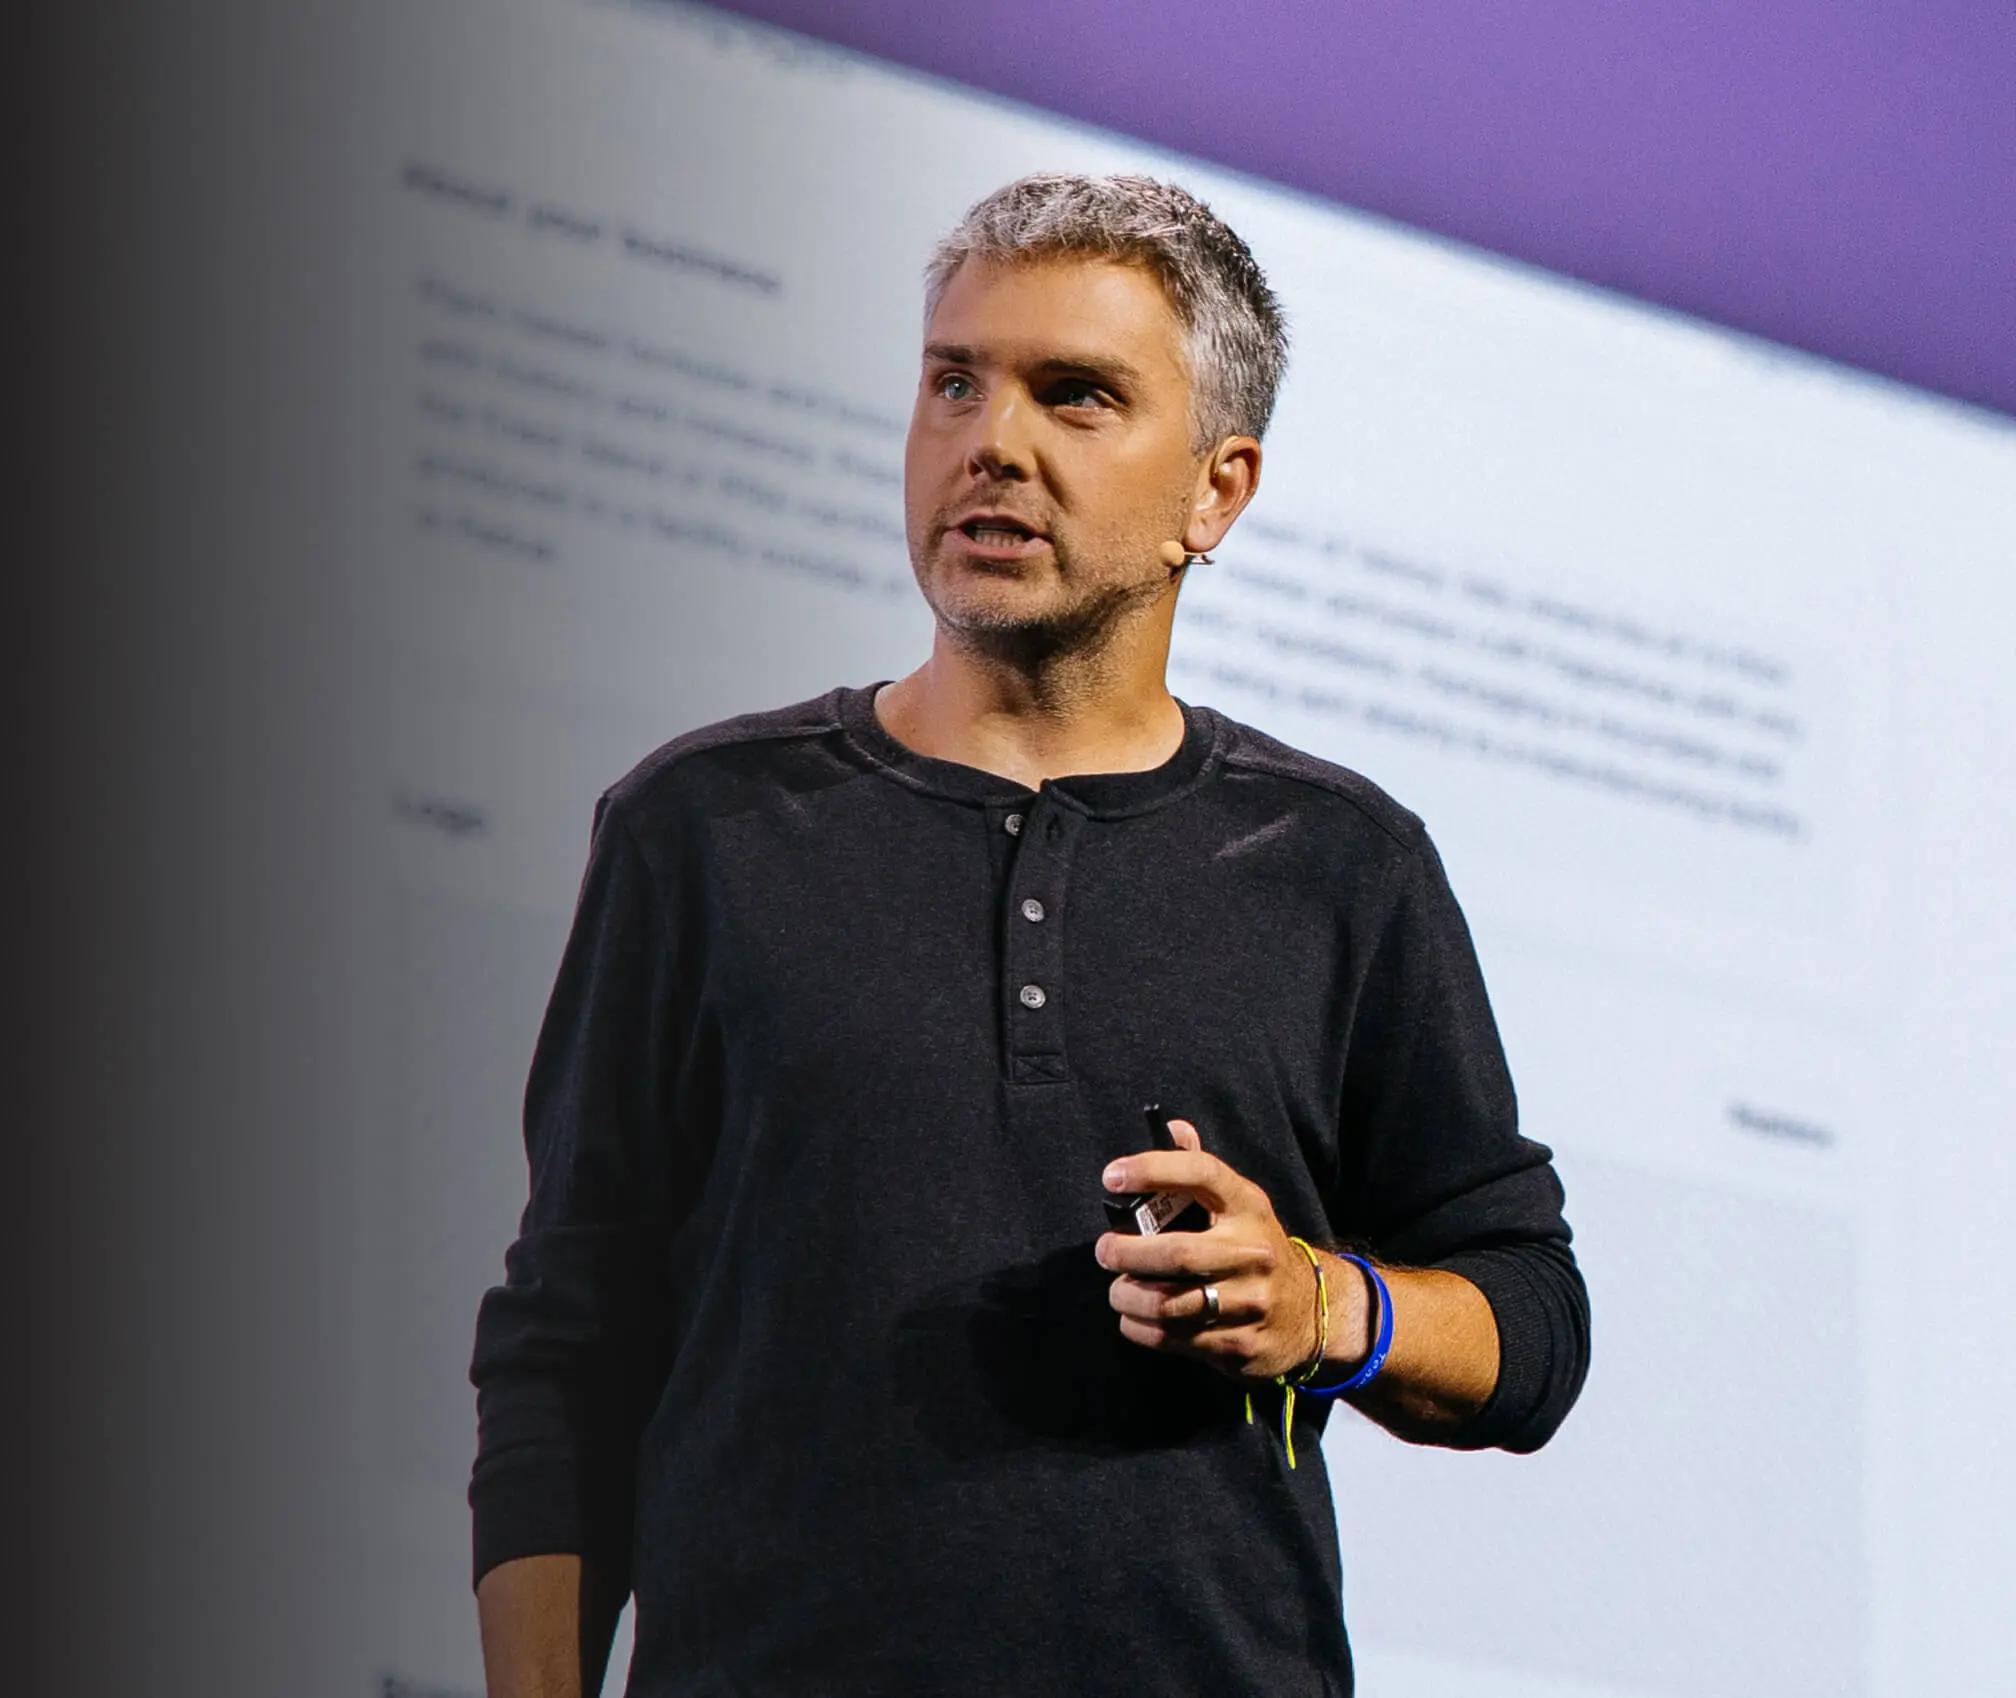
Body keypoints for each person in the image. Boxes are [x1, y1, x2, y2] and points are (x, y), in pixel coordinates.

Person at [468, 170, 1591, 1698]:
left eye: (1075, 395)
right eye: (955, 381)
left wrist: (1325, 1302)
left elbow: (1532, 1319)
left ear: (1217, 491)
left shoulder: (1342, 863)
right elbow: (567, 1345)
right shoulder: (703, 828)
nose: (990, 440)